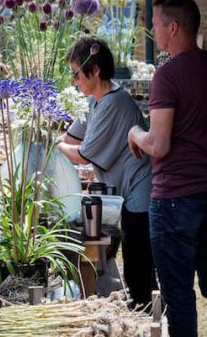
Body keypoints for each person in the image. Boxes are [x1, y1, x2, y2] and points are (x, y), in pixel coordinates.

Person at [127, 0, 207, 337]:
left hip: (173, 200)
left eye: (155, 22)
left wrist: (135, 133)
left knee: (178, 295)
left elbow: (158, 145)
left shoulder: (167, 76)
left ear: (173, 27)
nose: (150, 29)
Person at [57, 36, 155, 308]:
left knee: (138, 259)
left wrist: (57, 145)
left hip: (139, 191)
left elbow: (82, 153)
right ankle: (144, 306)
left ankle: (147, 312)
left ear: (95, 70)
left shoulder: (114, 102)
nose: (73, 80)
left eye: (76, 73)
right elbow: (72, 136)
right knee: (133, 256)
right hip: (123, 190)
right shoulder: (94, 100)